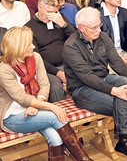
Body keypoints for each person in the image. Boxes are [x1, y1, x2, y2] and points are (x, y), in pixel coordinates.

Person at [63, 7, 127, 160]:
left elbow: (117, 63)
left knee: (124, 80)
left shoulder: (104, 37)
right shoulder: (70, 46)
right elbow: (87, 77)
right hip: (82, 89)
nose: (98, 30)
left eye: (99, 25)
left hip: (104, 80)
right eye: (94, 27)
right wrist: (114, 91)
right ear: (81, 28)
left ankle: (123, 138)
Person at [0, 27, 93, 161]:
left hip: (36, 110)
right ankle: (84, 159)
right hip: (12, 116)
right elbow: (21, 97)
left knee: (56, 138)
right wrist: (51, 106)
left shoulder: (35, 57)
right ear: (18, 47)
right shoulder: (4, 69)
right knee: (55, 116)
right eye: (28, 44)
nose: (33, 46)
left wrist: (38, 104)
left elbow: (45, 84)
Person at [25, 0, 75, 102]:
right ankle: (59, 116)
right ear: (39, 7)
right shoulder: (29, 28)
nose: (51, 15)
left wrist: (63, 24)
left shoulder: (59, 19)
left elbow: (76, 41)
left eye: (55, 12)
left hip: (68, 63)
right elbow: (35, 57)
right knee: (56, 87)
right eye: (48, 12)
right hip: (46, 68)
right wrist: (58, 73)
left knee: (84, 77)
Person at [100, 0, 127, 70]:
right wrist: (117, 59)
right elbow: (99, 45)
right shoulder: (99, 15)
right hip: (106, 55)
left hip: (122, 51)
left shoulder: (124, 12)